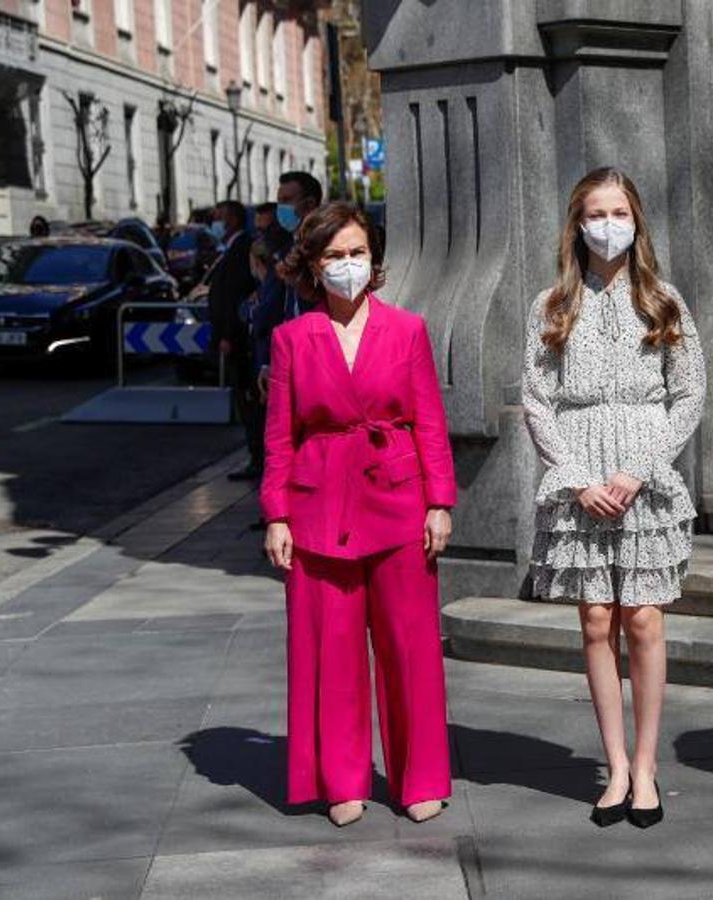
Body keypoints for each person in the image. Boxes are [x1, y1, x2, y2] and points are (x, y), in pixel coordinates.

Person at [261, 202, 455, 828]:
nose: (349, 265)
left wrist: (439, 503)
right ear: (314, 268)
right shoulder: (292, 338)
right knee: (332, 651)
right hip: (320, 507)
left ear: (374, 260)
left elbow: (429, 420)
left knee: (410, 646)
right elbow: (279, 436)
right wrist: (276, 515)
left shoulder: (406, 330)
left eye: (358, 253)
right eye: (336, 256)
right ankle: (342, 779)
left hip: (398, 499)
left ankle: (420, 776)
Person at [522, 167, 706, 829]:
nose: (608, 225)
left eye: (618, 212)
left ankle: (648, 765)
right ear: (576, 225)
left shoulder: (661, 301)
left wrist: (638, 469)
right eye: (595, 214)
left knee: (643, 620)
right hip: (581, 477)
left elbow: (688, 396)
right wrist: (576, 478)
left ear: (636, 221)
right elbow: (536, 403)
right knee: (596, 620)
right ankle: (615, 766)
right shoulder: (552, 305)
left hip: (643, 475)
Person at [254, 171, 324, 396]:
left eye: (286, 201)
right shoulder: (287, 250)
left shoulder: (327, 249)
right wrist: (267, 362)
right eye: (278, 201)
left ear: (310, 204)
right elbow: (278, 310)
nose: (280, 209)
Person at [206, 200, 261, 480]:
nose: (215, 223)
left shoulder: (241, 249)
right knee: (244, 398)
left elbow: (235, 295)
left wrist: (228, 334)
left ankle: (257, 458)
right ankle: (255, 456)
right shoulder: (231, 248)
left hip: (239, 338)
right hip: (234, 335)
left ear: (233, 221)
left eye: (219, 217)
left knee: (248, 398)